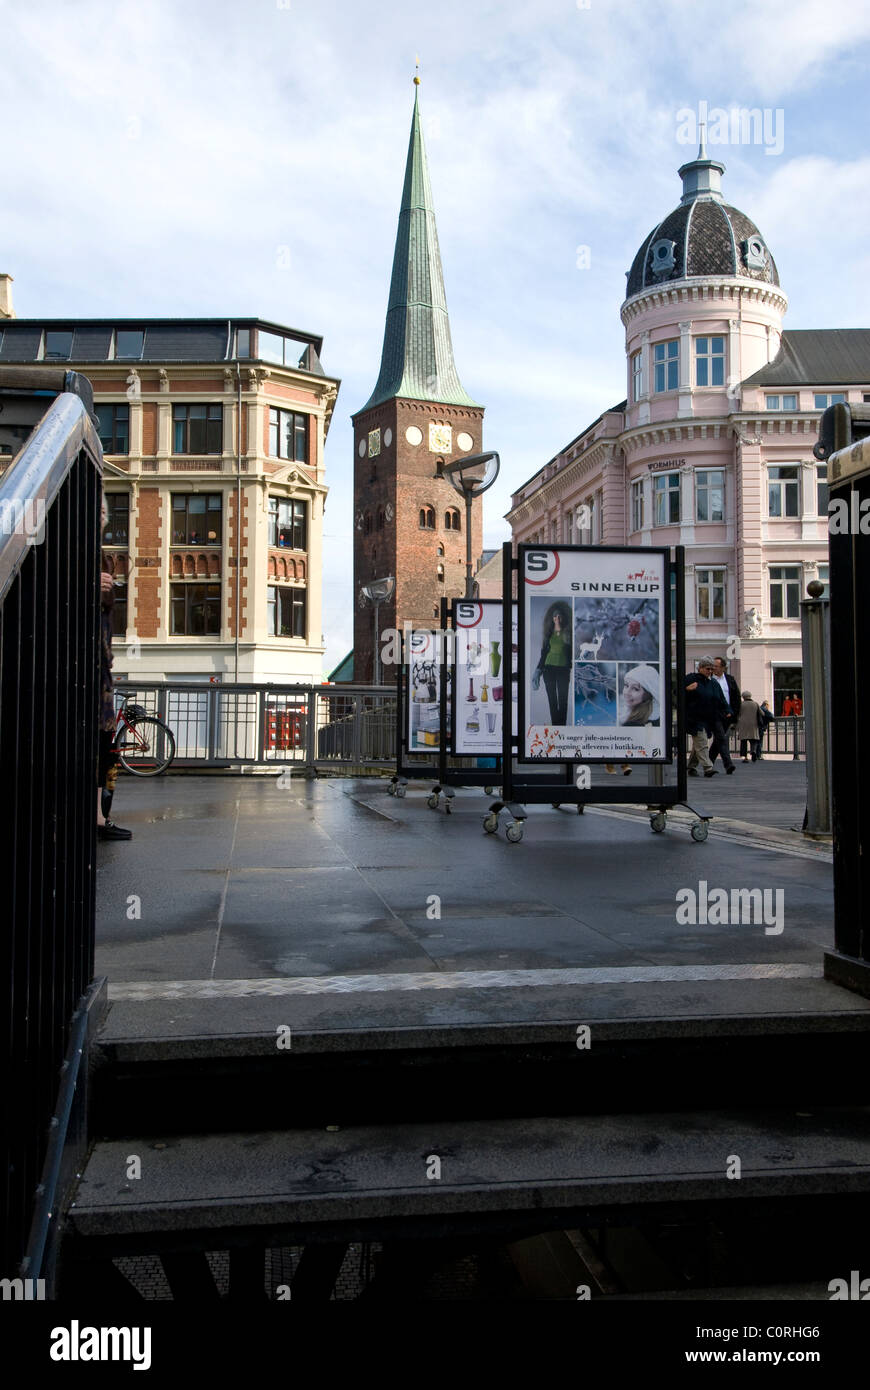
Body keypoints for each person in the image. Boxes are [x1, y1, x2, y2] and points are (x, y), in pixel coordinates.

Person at [98, 501, 132, 841]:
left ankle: (99, 816)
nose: (104, 513)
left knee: (105, 746)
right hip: (85, 671)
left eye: (106, 509)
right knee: (96, 745)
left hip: (100, 669)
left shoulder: (102, 553)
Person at [685, 657, 727, 778]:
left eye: (711, 669)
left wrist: (727, 710)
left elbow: (720, 699)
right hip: (694, 718)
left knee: (698, 745)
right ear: (700, 668)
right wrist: (687, 689)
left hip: (707, 719)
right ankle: (708, 767)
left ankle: (691, 767)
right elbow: (677, 694)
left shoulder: (712, 683)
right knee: (702, 742)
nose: (710, 671)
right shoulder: (691, 678)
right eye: (707, 668)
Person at [532, 602, 572, 725]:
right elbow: (544, 654)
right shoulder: (548, 635)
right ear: (552, 618)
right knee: (552, 701)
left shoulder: (568, 634)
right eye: (555, 616)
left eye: (559, 616)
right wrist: (538, 670)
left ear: (563, 617)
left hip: (563, 670)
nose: (557, 619)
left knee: (563, 700)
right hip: (548, 670)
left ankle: (562, 727)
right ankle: (555, 727)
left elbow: (571, 652)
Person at [710, 656, 741, 773]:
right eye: (713, 666)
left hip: (727, 715)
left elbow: (736, 698)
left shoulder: (730, 679)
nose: (714, 669)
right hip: (714, 714)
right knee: (721, 738)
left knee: (718, 740)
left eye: (716, 666)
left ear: (723, 668)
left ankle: (708, 763)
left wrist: (734, 715)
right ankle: (728, 764)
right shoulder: (709, 680)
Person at [737, 690, 762, 762]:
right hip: (753, 724)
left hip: (743, 724)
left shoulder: (741, 704)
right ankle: (753, 751)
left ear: (743, 697)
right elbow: (762, 713)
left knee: (743, 741)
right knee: (753, 740)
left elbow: (737, 714)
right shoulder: (755, 704)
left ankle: (745, 757)